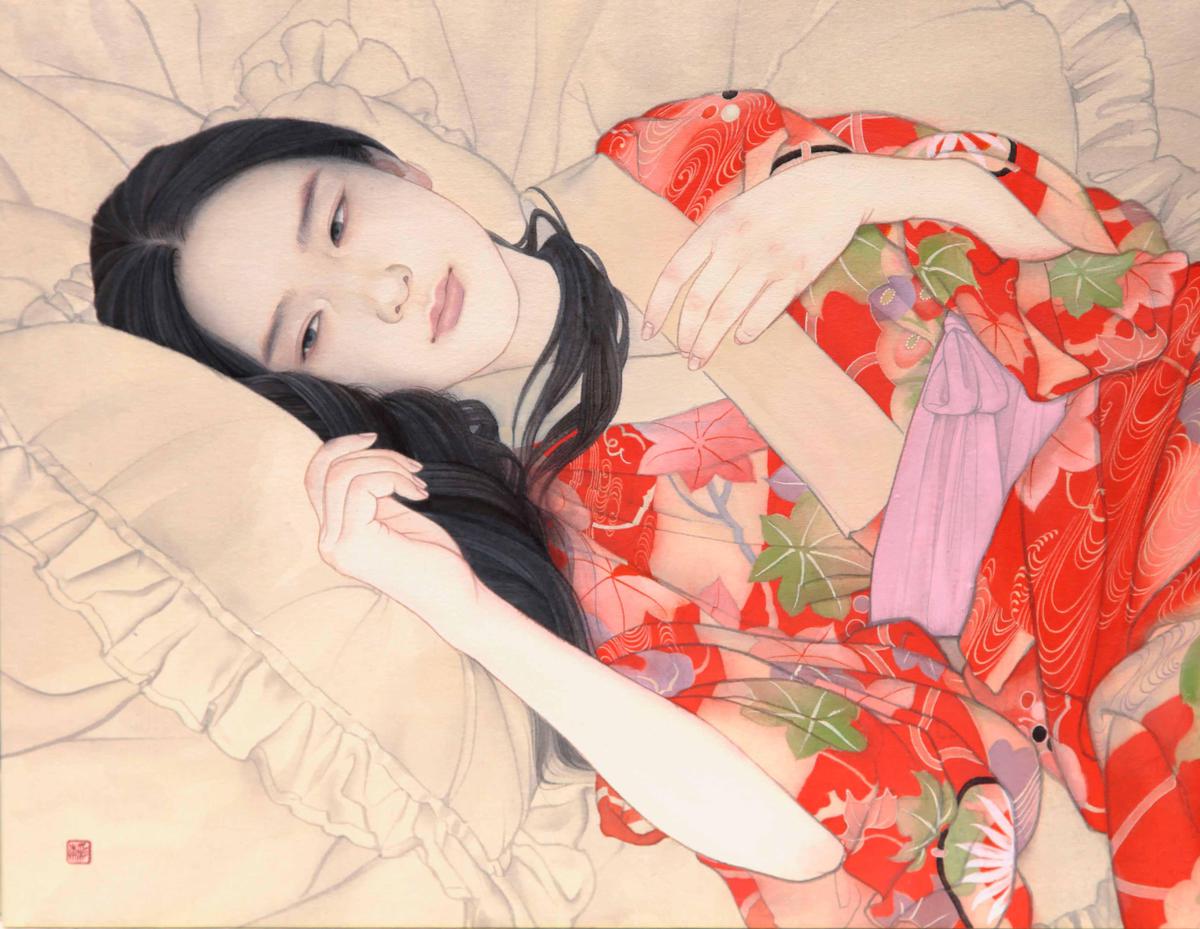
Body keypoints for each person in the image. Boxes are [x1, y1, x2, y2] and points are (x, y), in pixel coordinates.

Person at [89, 89, 1200, 928]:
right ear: (322, 391)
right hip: (1099, 650)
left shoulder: (673, 162)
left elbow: (1107, 256)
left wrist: (867, 186)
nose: (381, 288)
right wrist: (462, 610)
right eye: (312, 329)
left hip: (1164, 410)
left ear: (394, 169)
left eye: (337, 222)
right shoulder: (577, 534)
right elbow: (797, 830)